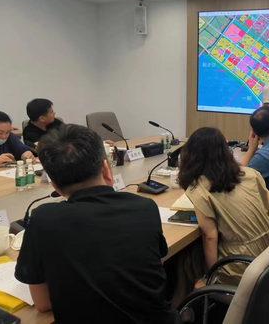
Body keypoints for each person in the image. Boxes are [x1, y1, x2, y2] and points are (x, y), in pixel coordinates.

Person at [15, 124, 177, 324]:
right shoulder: (145, 207)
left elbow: (43, 304)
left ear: (55, 186)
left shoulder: (43, 219)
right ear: (106, 169)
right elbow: (154, 270)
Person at [178, 127, 269, 286]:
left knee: (187, 263)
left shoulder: (199, 189)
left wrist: (211, 278)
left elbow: (210, 236)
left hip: (240, 268)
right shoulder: (250, 174)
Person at [23, 98, 114, 149]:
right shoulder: (29, 133)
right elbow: (48, 149)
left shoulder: (55, 123)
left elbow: (75, 134)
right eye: (51, 112)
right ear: (42, 118)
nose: (55, 113)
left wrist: (100, 143)